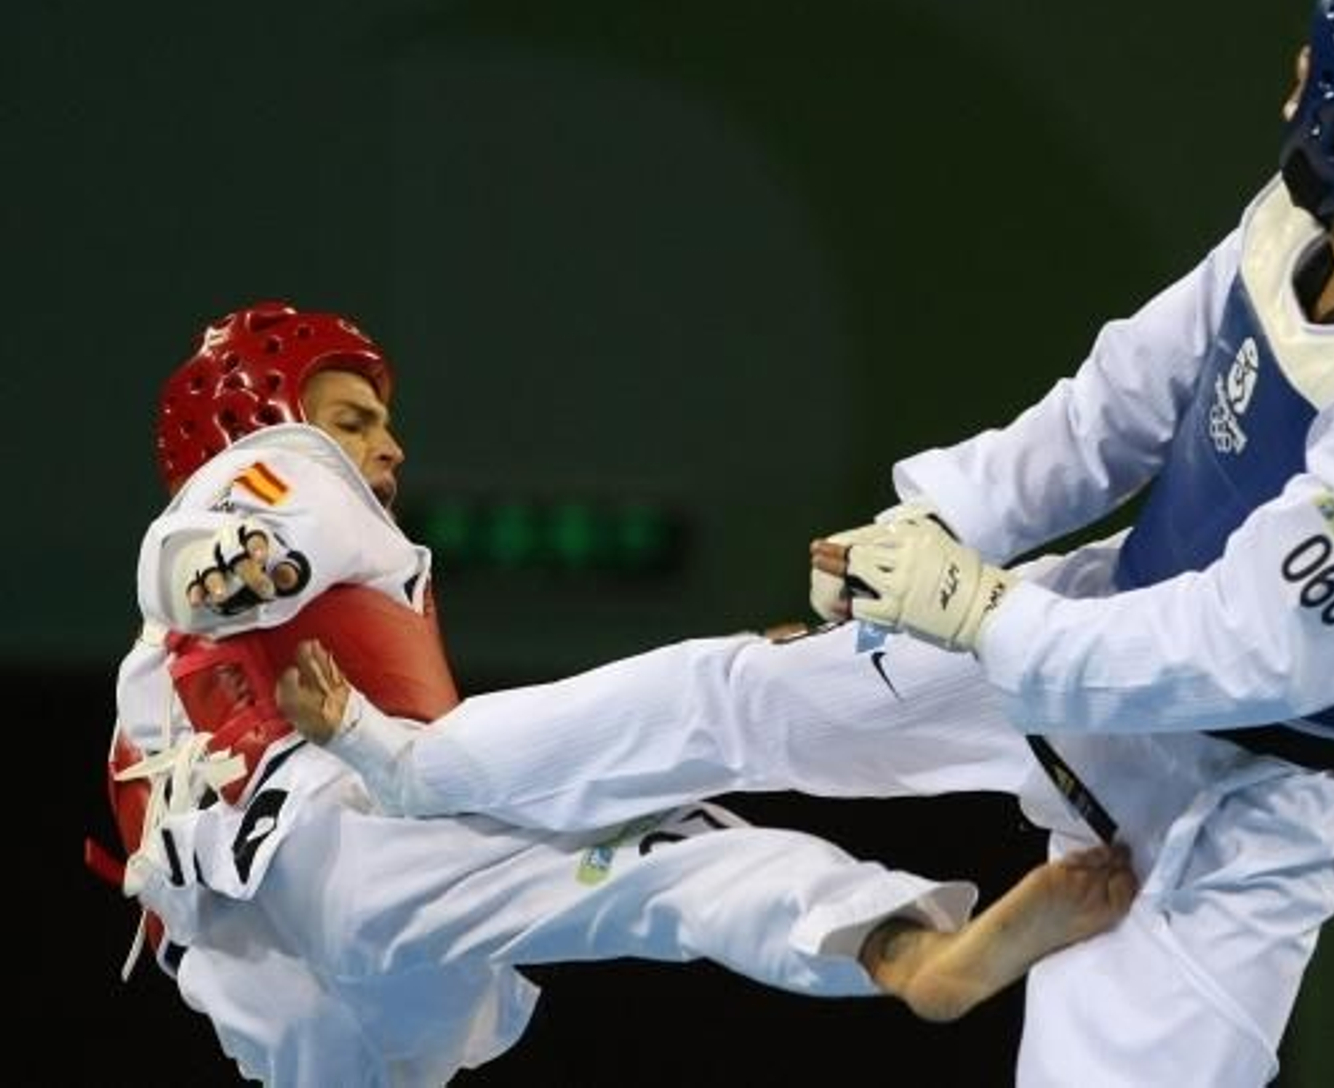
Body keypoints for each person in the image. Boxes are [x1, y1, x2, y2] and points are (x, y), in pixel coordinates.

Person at [270, 0, 1334, 1086]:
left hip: (1246, 805)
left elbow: (1230, 650)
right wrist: (938, 531)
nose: (1287, 100)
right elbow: (1111, 409)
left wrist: (979, 614)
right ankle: (416, 772)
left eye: (1308, 80)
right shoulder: (1287, 235)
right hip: (1094, 625)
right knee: (741, 695)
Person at [100, 301, 1135, 1086]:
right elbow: (206, 544)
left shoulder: (201, 637)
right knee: (678, 808)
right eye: (354, 418)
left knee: (664, 851)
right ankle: (898, 944)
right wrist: (240, 565)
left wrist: (238, 576)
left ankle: (902, 945)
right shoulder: (281, 474)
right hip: (345, 850)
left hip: (290, 985)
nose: (390, 445)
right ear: (265, 417)